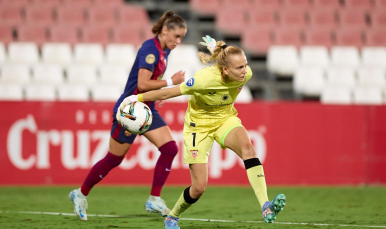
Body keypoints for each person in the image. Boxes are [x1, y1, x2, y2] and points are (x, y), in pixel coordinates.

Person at [118, 36, 286, 228]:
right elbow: (168, 92)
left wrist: (220, 50)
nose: (244, 70)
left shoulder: (246, 74)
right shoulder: (203, 79)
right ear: (225, 70)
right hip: (198, 126)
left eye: (245, 65)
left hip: (225, 119)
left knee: (249, 149)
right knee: (198, 188)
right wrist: (136, 98)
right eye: (239, 67)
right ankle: (172, 216)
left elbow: (231, 62)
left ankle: (265, 205)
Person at [68, 11, 187, 221]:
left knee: (170, 148)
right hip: (131, 110)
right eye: (176, 36)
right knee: (114, 159)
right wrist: (170, 83)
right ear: (165, 30)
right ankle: (80, 194)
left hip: (147, 108)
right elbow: (142, 83)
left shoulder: (164, 50)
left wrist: (160, 95)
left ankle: (154, 199)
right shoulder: (150, 49)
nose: (178, 41)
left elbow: (152, 80)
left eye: (182, 38)